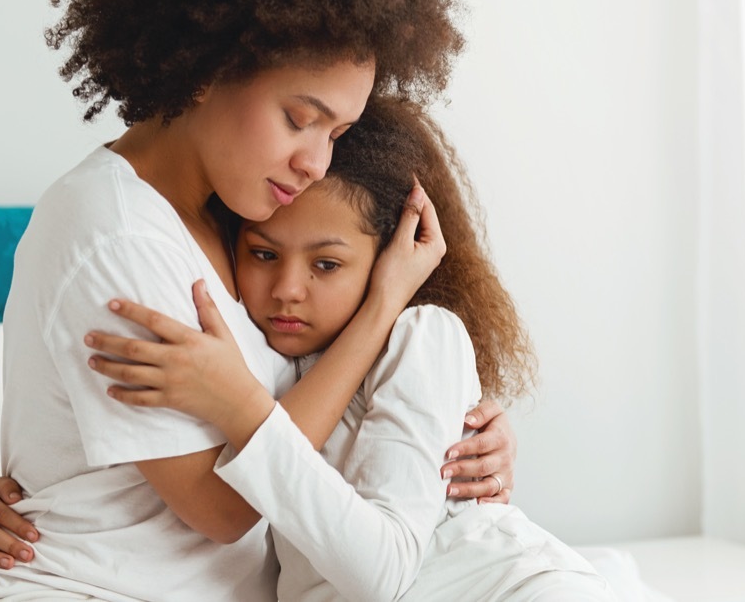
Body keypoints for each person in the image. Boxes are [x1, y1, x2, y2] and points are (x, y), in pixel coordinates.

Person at [0, 0, 517, 600]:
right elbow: (226, 505)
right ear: (210, 65)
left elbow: (305, 413)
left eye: (336, 132)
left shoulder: (239, 225)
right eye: (299, 118)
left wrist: (453, 434)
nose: (316, 160)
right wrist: (384, 307)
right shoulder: (115, 233)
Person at [81, 96, 619, 601]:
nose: (289, 288)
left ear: (389, 260)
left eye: (327, 265)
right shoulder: (252, 356)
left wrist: (240, 408)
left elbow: (380, 573)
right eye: (264, 254)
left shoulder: (422, 335)